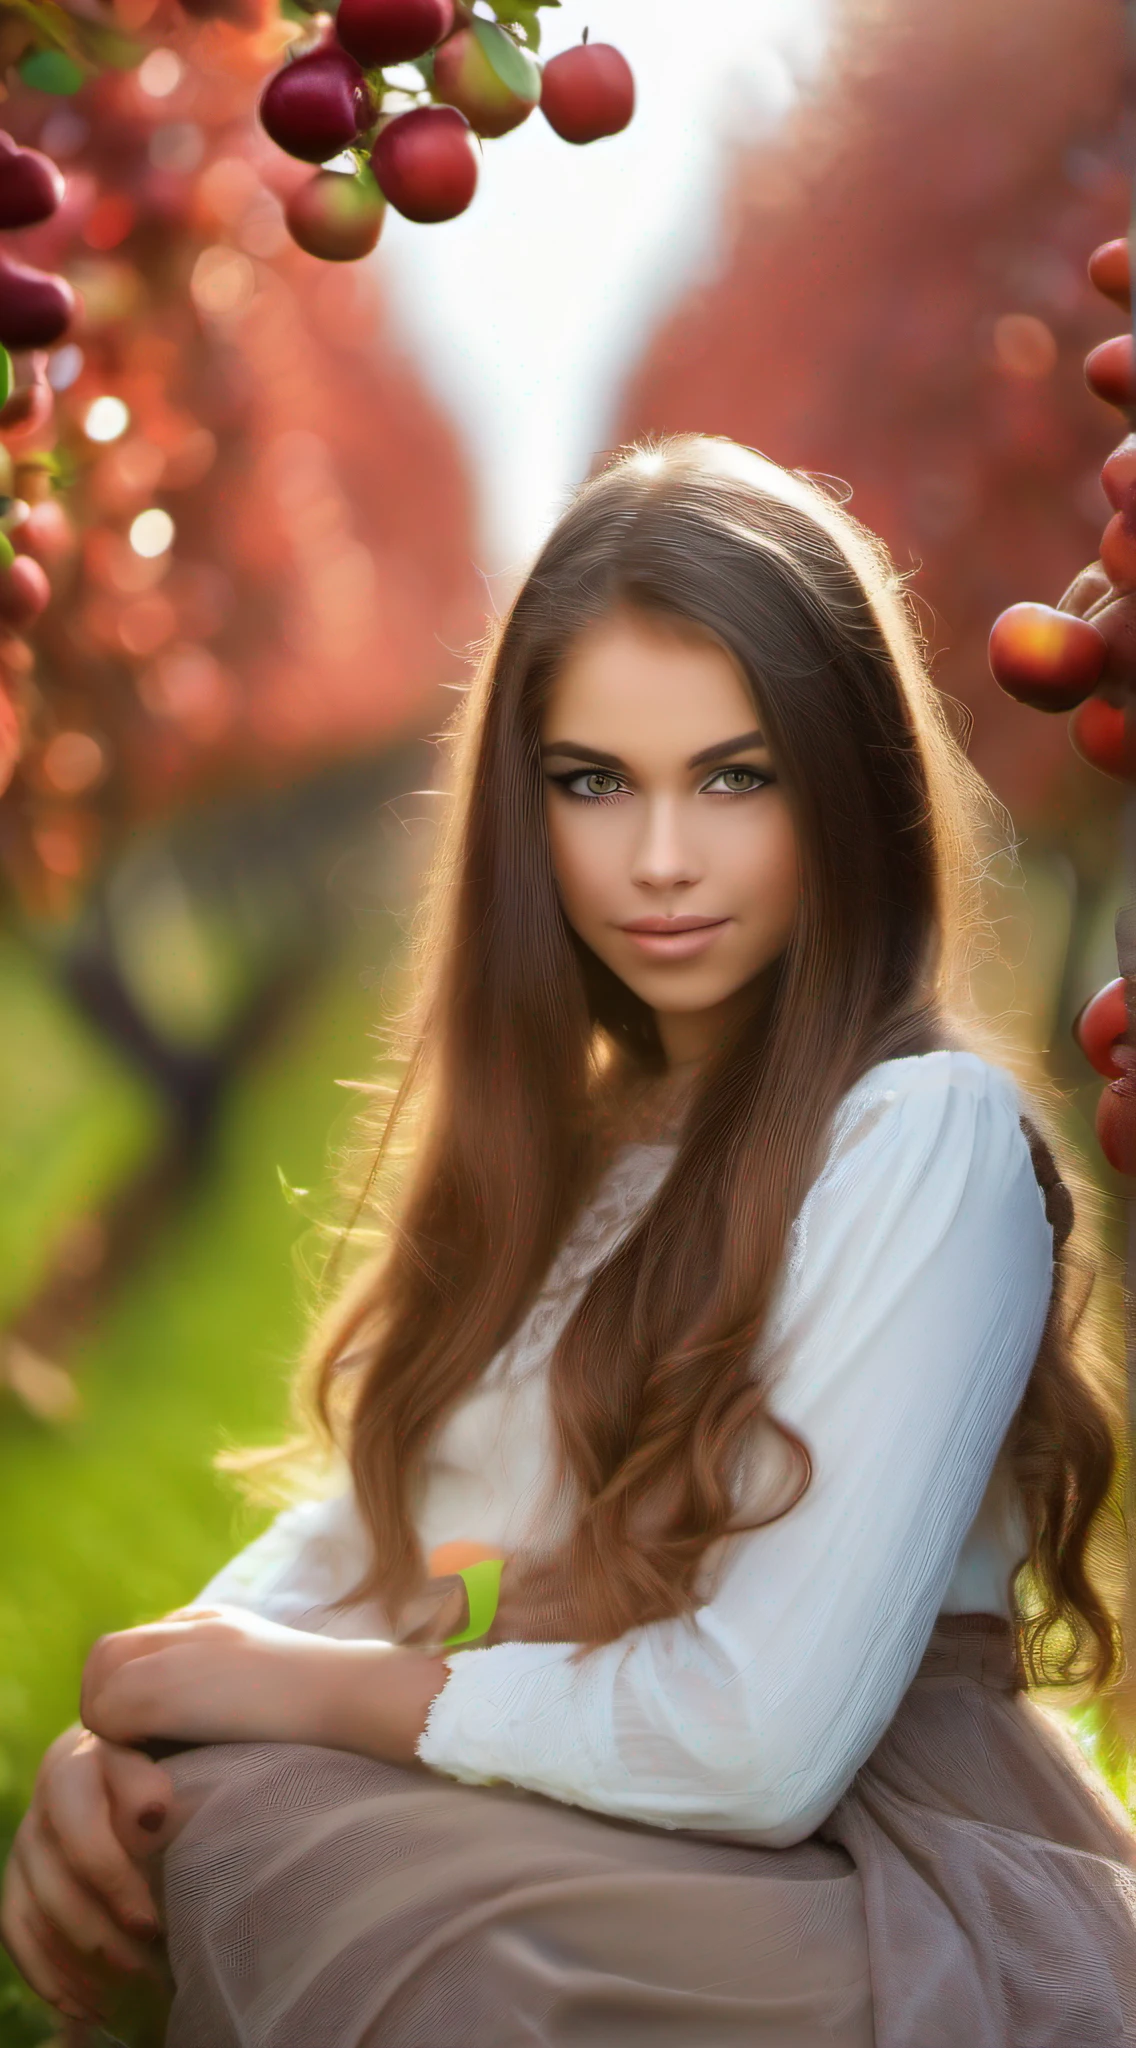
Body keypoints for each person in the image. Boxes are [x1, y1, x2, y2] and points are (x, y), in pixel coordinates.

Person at [4, 435, 1136, 2047]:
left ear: (853, 790)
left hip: (885, 1880)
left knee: (328, 1863)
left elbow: (758, 1745)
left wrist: (283, 1696)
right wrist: (123, 1749)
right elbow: (374, 1551)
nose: (659, 859)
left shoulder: (921, 1136)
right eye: (595, 781)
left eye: (736, 778)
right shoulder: (578, 1164)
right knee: (249, 1822)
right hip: (635, 1835)